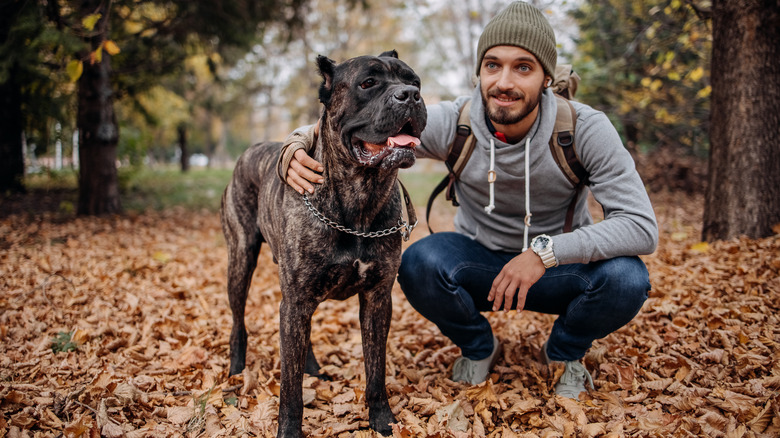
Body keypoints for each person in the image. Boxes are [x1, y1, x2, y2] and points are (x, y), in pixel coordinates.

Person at [280, 1, 658, 399]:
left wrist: (545, 253)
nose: (503, 81)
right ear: (479, 71)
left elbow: (641, 227)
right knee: (419, 262)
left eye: (523, 67)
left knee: (627, 279)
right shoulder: (457, 122)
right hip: (479, 264)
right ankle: (480, 347)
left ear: (547, 77)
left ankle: (564, 352)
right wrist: (292, 147)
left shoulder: (583, 128)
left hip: (558, 271)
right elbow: (349, 119)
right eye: (492, 65)